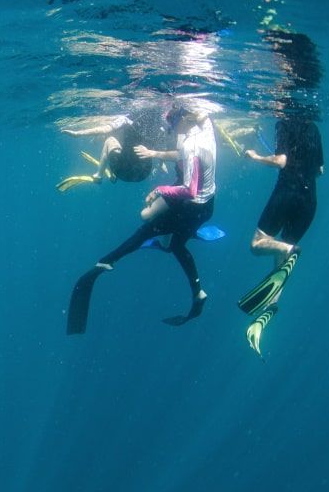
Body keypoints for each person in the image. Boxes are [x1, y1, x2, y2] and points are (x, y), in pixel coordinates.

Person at [65, 103, 217, 334]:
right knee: (176, 244)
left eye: (172, 123)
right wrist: (156, 154)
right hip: (207, 208)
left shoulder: (190, 145)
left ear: (185, 119)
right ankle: (198, 290)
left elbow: (189, 190)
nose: (170, 128)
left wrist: (159, 190)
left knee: (145, 230)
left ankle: (108, 260)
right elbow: (200, 123)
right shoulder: (206, 129)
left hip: (189, 206)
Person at [240, 115, 323, 356]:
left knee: (257, 245)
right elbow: (320, 170)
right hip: (310, 201)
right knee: (280, 263)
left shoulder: (284, 123)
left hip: (287, 193)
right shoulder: (313, 127)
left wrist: (255, 157)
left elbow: (280, 161)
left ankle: (289, 250)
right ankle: (270, 308)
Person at [58, 107, 170, 190]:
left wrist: (78, 134)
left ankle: (98, 175)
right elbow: (161, 147)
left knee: (109, 139)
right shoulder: (159, 128)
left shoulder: (125, 119)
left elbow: (104, 130)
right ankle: (114, 174)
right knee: (133, 150)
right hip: (142, 173)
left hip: (122, 170)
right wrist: (161, 163)